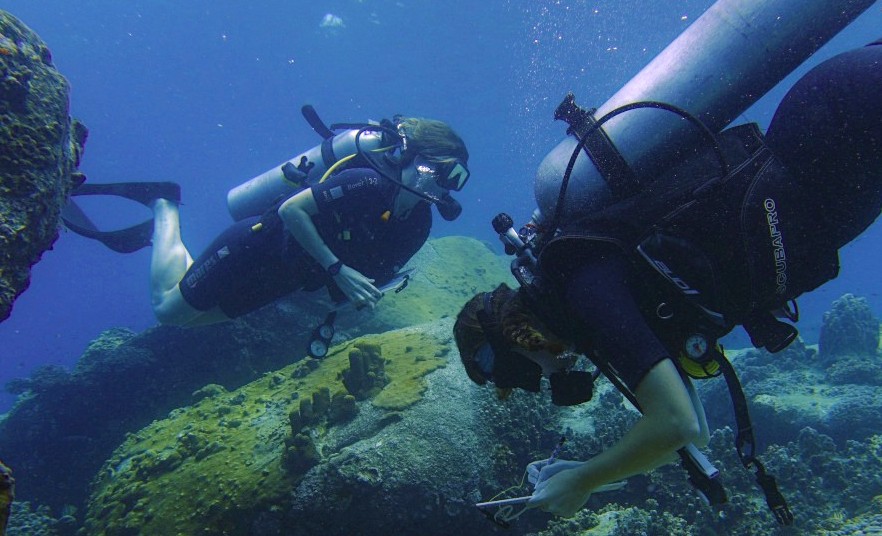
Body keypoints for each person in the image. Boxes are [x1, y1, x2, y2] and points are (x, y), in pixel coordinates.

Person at [454, 41, 881, 521]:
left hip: (841, 124)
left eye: (510, 371)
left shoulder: (583, 285)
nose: (539, 382)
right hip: (836, 153)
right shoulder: (591, 303)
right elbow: (691, 431)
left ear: (516, 336)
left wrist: (584, 478)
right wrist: (585, 475)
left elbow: (673, 423)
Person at [64, 114, 470, 327]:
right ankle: (163, 207)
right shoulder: (365, 181)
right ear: (414, 157)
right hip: (257, 244)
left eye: (455, 180)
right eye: (443, 170)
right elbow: (290, 209)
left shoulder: (419, 224)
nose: (445, 186)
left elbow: (371, 274)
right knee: (167, 311)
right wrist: (337, 267)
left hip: (287, 278)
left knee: (196, 322)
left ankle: (166, 239)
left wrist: (360, 292)